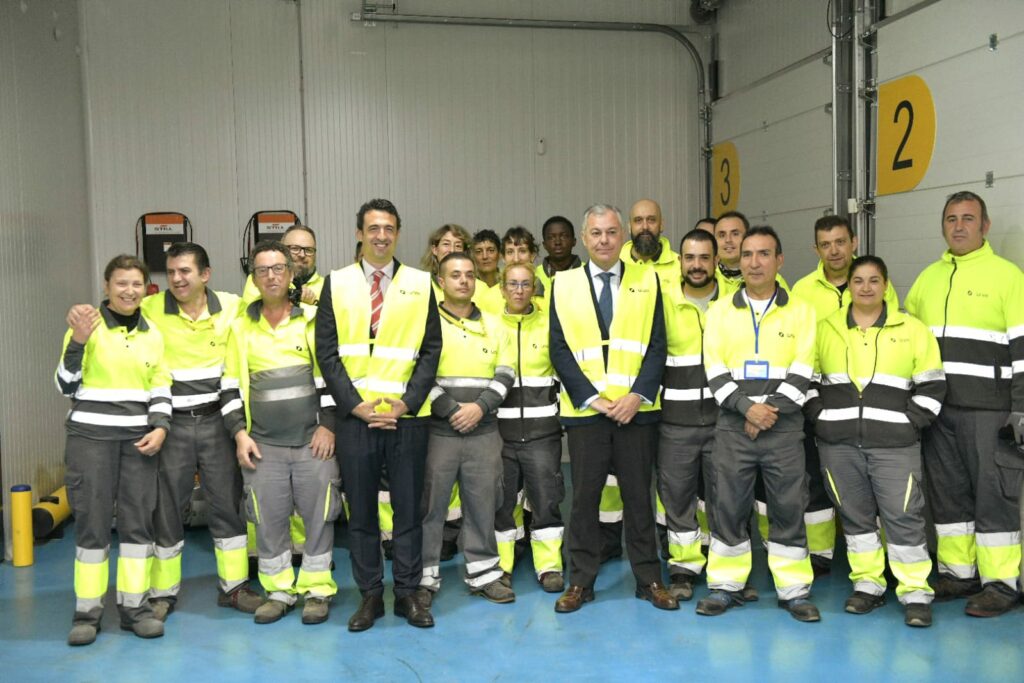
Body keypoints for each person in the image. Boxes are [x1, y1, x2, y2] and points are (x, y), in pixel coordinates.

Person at [316, 198, 440, 631]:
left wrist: (407, 402)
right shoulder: (337, 283)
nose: (381, 236)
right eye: (373, 228)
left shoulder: (422, 284)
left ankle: (407, 593)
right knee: (362, 514)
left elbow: (430, 351)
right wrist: (355, 406)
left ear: (398, 234)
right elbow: (327, 354)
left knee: (408, 510)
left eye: (389, 228)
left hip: (406, 420)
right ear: (359, 233)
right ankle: (370, 596)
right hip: (357, 421)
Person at [549, 203, 676, 613]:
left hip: (635, 413)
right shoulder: (562, 284)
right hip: (587, 414)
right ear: (584, 239)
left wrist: (636, 396)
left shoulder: (649, 280)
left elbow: (657, 347)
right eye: (596, 233)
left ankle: (649, 579)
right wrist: (592, 398)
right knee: (584, 500)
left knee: (639, 497)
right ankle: (581, 582)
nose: (604, 240)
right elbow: (560, 349)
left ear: (622, 236)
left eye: (611, 232)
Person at [905, 190, 1024, 617]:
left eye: (968, 218)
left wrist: (1021, 409)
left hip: (991, 412)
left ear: (985, 226)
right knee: (948, 495)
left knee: (994, 496)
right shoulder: (928, 278)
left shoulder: (1008, 276)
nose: (959, 226)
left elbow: (1022, 347)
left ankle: (1001, 585)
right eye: (951, 218)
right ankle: (959, 574)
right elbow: (908, 342)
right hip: (939, 412)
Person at [808, 255, 944, 627]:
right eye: (858, 281)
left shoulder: (912, 329)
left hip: (895, 447)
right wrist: (820, 419)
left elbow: (933, 384)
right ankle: (867, 585)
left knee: (904, 517)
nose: (865, 287)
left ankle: (915, 592)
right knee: (856, 519)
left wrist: (908, 424)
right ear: (848, 286)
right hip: (838, 445)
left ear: (885, 285)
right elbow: (807, 381)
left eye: (873, 280)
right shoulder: (825, 329)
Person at [697, 226, 820, 622]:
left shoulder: (801, 312)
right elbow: (713, 370)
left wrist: (767, 412)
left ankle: (793, 589)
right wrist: (747, 409)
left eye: (763, 254)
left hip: (783, 429)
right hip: (734, 427)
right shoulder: (719, 311)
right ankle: (725, 586)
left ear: (779, 260)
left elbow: (804, 371)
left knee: (787, 506)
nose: (754, 262)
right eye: (747, 254)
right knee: (728, 506)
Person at [222, 241, 340, 626]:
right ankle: (277, 591)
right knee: (268, 521)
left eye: (277, 269)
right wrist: (240, 434)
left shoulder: (311, 319)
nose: (270, 276)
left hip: (312, 443)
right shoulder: (241, 328)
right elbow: (230, 387)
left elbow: (331, 378)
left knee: (319, 516)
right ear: (253, 279)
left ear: (290, 274)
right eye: (262, 270)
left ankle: (317, 589)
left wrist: (327, 425)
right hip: (264, 446)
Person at [140, 243, 260, 619]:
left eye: (185, 271)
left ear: (205, 274)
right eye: (171, 271)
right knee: (168, 509)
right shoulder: (150, 309)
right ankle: (162, 593)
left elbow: (270, 306)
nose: (176, 278)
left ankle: (234, 587)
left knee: (227, 504)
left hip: (217, 421)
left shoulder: (232, 307)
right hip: (171, 424)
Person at [58, 255, 172, 646]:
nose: (129, 291)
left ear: (146, 288)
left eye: (137, 284)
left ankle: (134, 609)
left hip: (138, 442)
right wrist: (77, 342)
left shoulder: (153, 334)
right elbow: (65, 385)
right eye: (121, 283)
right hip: (90, 441)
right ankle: (86, 613)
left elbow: (160, 385)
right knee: (91, 525)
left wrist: (160, 427)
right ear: (106, 286)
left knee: (138, 524)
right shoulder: (85, 327)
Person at [418, 252, 516, 604]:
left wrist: (479, 408)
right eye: (455, 275)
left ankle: (484, 574)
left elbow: (506, 373)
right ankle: (424, 578)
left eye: (470, 275)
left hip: (484, 431)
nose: (464, 280)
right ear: (440, 281)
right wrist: (449, 409)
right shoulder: (426, 323)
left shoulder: (495, 324)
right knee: (430, 506)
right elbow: (417, 374)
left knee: (483, 503)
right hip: (439, 433)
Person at [656, 229, 720, 601]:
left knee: (723, 498)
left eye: (704, 258)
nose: (696, 266)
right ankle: (683, 569)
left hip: (722, 422)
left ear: (715, 261)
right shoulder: (662, 304)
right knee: (677, 499)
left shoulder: (732, 304)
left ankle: (726, 571)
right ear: (680, 261)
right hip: (675, 424)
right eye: (690, 258)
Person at [494, 262, 565, 593]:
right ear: (502, 288)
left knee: (546, 499)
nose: (519, 290)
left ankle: (549, 566)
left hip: (542, 435)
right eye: (513, 284)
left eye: (525, 284)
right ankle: (502, 568)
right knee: (502, 502)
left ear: (534, 287)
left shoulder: (550, 326)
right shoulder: (491, 326)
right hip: (499, 436)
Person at [242, 224, 325, 305]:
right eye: (295, 248)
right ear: (282, 250)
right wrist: (307, 303)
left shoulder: (327, 287)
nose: (302, 255)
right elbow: (257, 311)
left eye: (309, 250)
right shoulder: (261, 278)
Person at [713, 211, 788, 296]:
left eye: (735, 234)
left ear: (747, 237)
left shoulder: (774, 280)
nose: (728, 240)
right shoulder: (705, 278)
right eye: (722, 235)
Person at [622, 198, 681, 284]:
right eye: (638, 220)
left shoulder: (679, 265)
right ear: (629, 227)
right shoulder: (615, 263)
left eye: (651, 220)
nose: (645, 227)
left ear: (661, 225)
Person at [421, 223, 472, 301]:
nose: (452, 250)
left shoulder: (480, 288)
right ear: (435, 250)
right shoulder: (421, 285)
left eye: (458, 246)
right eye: (446, 244)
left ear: (464, 252)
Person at [537, 215, 582, 295]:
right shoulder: (534, 276)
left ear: (574, 241)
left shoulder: (587, 272)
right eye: (551, 237)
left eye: (563, 236)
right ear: (544, 245)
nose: (558, 242)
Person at [501, 225, 546, 299]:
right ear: (503, 257)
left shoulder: (548, 288)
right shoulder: (490, 296)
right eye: (510, 252)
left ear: (532, 256)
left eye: (522, 251)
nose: (516, 259)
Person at [471, 229, 505, 315]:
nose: (485, 256)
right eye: (479, 252)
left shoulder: (509, 282)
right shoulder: (467, 284)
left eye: (491, 250)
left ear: (500, 254)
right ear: (473, 256)